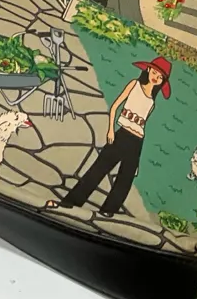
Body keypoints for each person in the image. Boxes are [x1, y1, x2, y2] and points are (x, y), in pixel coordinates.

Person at [45, 57, 171, 218]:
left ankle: (108, 213)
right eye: (154, 73)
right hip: (122, 134)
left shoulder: (152, 102)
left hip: (137, 141)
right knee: (98, 169)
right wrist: (111, 129)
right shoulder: (134, 85)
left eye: (160, 77)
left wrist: (137, 159)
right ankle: (69, 203)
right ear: (148, 70)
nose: (156, 78)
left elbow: (142, 125)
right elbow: (115, 106)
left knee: (125, 180)